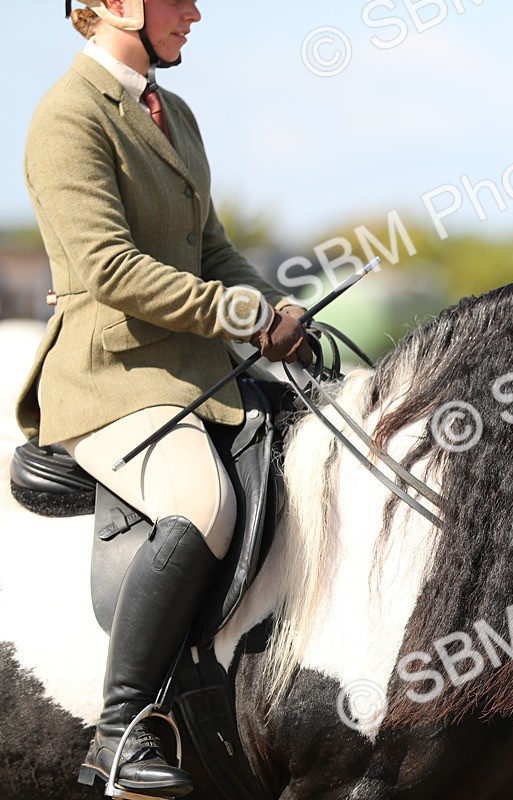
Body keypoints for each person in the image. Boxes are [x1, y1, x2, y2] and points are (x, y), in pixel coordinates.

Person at [17, 1, 311, 796]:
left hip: (197, 368)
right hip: (109, 378)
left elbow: (210, 245)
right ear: (115, 4)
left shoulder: (172, 111)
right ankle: (119, 734)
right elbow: (108, 267)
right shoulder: (66, 116)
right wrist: (237, 315)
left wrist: (271, 313)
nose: (196, 13)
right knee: (202, 500)